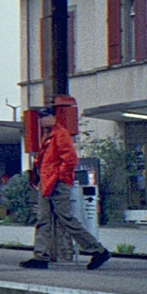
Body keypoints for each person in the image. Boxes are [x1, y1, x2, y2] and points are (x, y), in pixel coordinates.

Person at [20, 108, 110, 269]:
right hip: (47, 183)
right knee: (44, 219)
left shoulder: (60, 134)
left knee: (64, 218)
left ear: (54, 117)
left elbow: (70, 160)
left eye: (45, 116)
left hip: (55, 183)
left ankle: (98, 250)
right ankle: (40, 256)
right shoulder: (49, 135)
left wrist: (59, 178)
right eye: (40, 117)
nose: (42, 120)